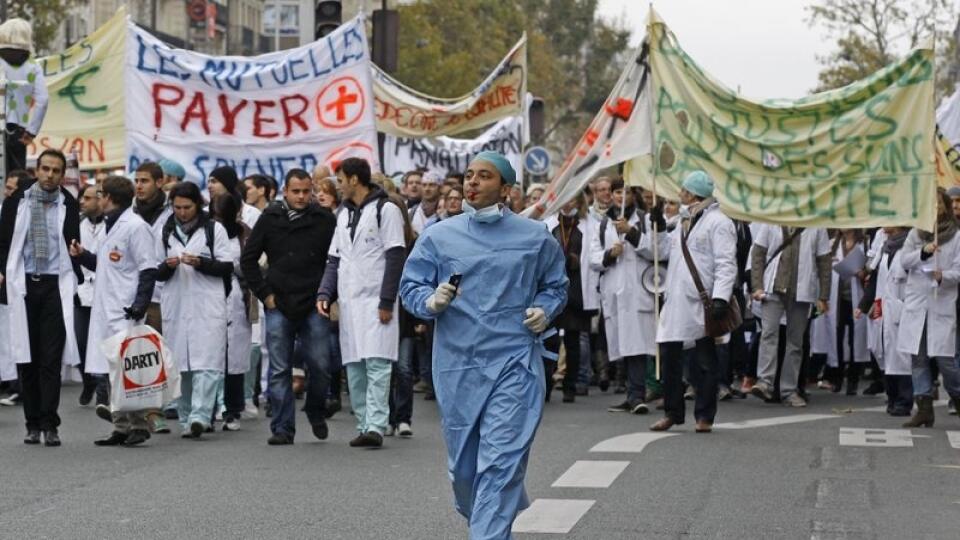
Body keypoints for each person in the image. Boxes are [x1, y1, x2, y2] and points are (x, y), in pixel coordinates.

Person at [399, 151, 568, 539]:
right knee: (465, 470)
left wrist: (544, 310)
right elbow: (411, 286)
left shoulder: (534, 236)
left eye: (485, 176)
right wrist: (430, 301)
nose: (472, 182)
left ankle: (489, 532)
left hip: (515, 364)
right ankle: (488, 520)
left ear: (505, 189)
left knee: (500, 462)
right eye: (469, 175)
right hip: (458, 366)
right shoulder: (439, 236)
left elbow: (556, 285)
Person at [240, 168, 336, 445]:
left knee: (319, 364)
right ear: (285, 191)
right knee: (280, 368)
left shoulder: (324, 219)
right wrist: (265, 295)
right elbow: (249, 260)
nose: (302, 197)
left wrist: (329, 294)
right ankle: (282, 427)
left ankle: (316, 409)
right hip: (279, 301)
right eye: (296, 191)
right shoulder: (271, 218)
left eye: (306, 191)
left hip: (314, 301)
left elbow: (336, 259)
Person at [317, 158, 405, 448]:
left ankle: (377, 426)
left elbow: (395, 257)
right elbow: (334, 259)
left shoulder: (386, 210)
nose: (338, 185)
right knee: (354, 367)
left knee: (378, 364)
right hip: (351, 302)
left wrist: (386, 300)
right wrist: (325, 294)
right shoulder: (343, 214)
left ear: (354, 179)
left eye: (341, 179)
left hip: (376, 300)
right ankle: (364, 423)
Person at [0, 149, 82, 446]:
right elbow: (4, 242)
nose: (49, 175)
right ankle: (31, 423)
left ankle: (50, 423)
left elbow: (74, 242)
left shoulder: (68, 204)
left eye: (56, 170)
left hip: (53, 287)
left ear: (62, 175)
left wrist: (78, 262)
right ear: (37, 170)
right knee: (27, 356)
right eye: (45, 169)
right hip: (23, 285)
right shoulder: (16, 202)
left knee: (50, 357)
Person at [69, 176, 158, 446]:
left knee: (128, 369)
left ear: (108, 197)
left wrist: (140, 304)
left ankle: (140, 425)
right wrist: (82, 255)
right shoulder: (111, 226)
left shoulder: (135, 227)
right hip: (105, 307)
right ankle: (121, 426)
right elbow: (106, 265)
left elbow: (148, 268)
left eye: (99, 194)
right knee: (111, 369)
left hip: (125, 309)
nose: (96, 199)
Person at [650, 170, 736, 434]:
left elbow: (726, 262)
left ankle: (705, 415)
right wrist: (660, 228)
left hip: (701, 303)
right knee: (670, 358)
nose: (679, 195)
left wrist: (721, 296)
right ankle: (672, 412)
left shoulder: (719, 222)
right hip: (676, 301)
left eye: (684, 191)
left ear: (694, 194)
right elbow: (663, 252)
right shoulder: (682, 222)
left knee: (704, 361)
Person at [155, 182, 233, 439]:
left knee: (207, 363)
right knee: (183, 365)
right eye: (177, 207)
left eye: (187, 207)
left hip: (207, 305)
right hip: (177, 306)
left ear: (198, 205)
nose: (182, 212)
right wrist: (167, 266)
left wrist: (200, 263)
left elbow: (226, 266)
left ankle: (201, 415)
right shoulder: (165, 231)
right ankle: (187, 417)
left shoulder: (214, 229)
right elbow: (156, 272)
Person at [590, 180, 663, 413]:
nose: (621, 196)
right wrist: (610, 254)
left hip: (639, 291)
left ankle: (637, 394)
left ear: (634, 195)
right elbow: (593, 258)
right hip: (615, 291)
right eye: (617, 192)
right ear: (611, 195)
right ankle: (632, 393)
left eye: (627, 192)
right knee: (623, 345)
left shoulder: (644, 219)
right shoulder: (602, 223)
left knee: (639, 345)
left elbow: (658, 250)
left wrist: (631, 233)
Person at [749, 225, 831, 407]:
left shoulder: (816, 224)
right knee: (768, 334)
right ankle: (765, 382)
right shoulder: (774, 216)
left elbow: (824, 261)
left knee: (795, 342)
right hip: (773, 288)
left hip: (801, 291)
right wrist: (757, 286)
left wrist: (824, 295)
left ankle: (789, 390)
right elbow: (758, 253)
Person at [897, 190, 960, 427]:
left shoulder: (955, 237)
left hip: (941, 302)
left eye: (939, 204)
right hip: (918, 305)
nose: (935, 208)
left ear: (945, 207)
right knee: (918, 358)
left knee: (946, 361)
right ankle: (924, 407)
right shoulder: (917, 234)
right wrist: (923, 252)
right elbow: (904, 260)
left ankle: (957, 394)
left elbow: (958, 270)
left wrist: (943, 276)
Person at [132, 161, 174, 432]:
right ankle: (139, 412)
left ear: (159, 182)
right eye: (137, 180)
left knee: (157, 355)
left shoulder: (171, 213)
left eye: (145, 181)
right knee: (137, 354)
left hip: (160, 293)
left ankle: (158, 408)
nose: (139, 186)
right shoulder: (131, 212)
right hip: (133, 293)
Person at [543, 194, 596, 403]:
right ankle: (545, 386)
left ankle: (570, 386)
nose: (568, 203)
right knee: (549, 341)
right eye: (566, 199)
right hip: (552, 289)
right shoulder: (549, 224)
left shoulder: (587, 225)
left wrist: (576, 260)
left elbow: (594, 254)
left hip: (576, 290)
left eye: (573, 199)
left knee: (573, 342)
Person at [856, 226, 913, 416]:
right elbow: (874, 280)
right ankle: (892, 397)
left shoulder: (910, 247)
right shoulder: (885, 247)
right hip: (884, 308)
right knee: (885, 354)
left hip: (902, 308)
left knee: (902, 357)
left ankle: (904, 401)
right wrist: (863, 305)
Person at [74, 184, 109, 408]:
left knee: (102, 343)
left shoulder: (112, 225)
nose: (82, 202)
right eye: (82, 198)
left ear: (100, 200)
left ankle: (102, 387)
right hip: (80, 292)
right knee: (79, 341)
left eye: (87, 198)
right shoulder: (77, 225)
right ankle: (88, 380)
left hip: (104, 293)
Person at [0, 19, 48, 173]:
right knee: (15, 180)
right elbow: (43, 99)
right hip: (17, 131)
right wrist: (31, 131)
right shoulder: (33, 66)